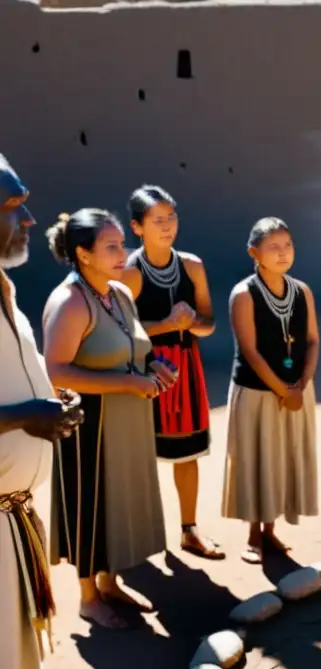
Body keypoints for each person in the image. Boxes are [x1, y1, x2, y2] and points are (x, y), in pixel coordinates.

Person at [42, 209, 176, 629]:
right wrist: (128, 383)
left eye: (123, 243)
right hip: (90, 426)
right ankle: (87, 597)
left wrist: (155, 367)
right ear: (83, 254)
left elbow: (136, 347)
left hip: (127, 420)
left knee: (118, 502)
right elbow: (57, 372)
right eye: (112, 246)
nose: (124, 252)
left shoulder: (119, 293)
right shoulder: (70, 302)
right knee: (92, 505)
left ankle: (110, 581)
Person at [0, 155, 86, 669]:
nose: (30, 219)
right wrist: (25, 414)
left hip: (12, 511)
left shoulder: (4, 288)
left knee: (4, 645)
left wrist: (48, 405)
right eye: (13, 208)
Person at [121, 185, 223, 560]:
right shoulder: (128, 273)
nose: (167, 227)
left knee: (188, 453)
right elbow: (120, 332)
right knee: (139, 456)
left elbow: (209, 323)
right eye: (157, 220)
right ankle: (138, 536)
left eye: (171, 218)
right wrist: (166, 324)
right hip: (142, 371)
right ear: (137, 227)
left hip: (185, 368)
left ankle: (189, 530)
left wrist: (193, 321)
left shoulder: (192, 265)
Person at [221, 217, 320, 564]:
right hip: (258, 393)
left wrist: (301, 384)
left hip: (295, 391)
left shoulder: (302, 291)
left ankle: (271, 529)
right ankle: (253, 534)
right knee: (254, 459)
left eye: (288, 245)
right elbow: (250, 351)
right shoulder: (244, 294)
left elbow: (311, 340)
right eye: (273, 247)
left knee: (282, 458)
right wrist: (282, 390)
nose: (283, 253)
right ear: (255, 252)